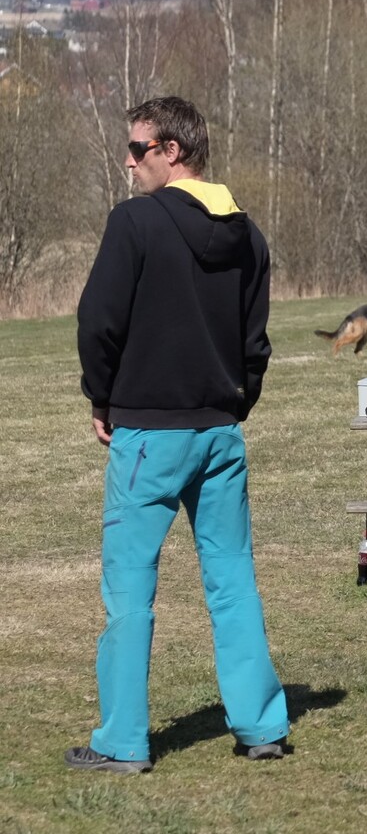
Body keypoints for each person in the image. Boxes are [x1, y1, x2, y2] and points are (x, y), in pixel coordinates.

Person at [67, 97, 289, 773]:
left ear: (172, 151)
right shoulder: (248, 235)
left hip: (148, 434)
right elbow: (255, 343)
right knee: (232, 579)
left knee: (129, 589)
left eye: (137, 149)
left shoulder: (133, 223)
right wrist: (234, 402)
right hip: (220, 433)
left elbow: (97, 320)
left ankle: (121, 742)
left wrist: (102, 396)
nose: (128, 161)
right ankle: (262, 726)